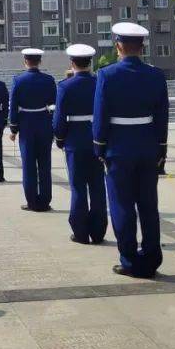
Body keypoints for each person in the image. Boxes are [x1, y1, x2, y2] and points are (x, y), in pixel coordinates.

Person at [93, 23, 169, 278]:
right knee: (148, 205)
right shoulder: (156, 75)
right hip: (148, 146)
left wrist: (100, 146)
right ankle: (151, 257)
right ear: (142, 48)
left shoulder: (107, 75)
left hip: (118, 147)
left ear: (119, 46)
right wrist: (161, 148)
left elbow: (100, 115)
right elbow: (162, 116)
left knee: (122, 204)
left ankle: (129, 259)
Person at [54, 44, 106, 244]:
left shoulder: (65, 86)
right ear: (90, 62)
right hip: (97, 139)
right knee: (97, 186)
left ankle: (81, 231)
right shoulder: (99, 83)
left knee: (77, 187)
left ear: (72, 63)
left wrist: (60, 138)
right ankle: (99, 230)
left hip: (75, 141)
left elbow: (59, 117)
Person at [9, 48, 57, 211]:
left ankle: (31, 201)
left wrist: (14, 128)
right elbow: (54, 105)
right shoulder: (49, 80)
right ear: (39, 61)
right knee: (45, 164)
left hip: (27, 125)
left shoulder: (18, 80)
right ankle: (45, 200)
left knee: (29, 165)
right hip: (44, 124)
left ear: (25, 61)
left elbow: (13, 106)